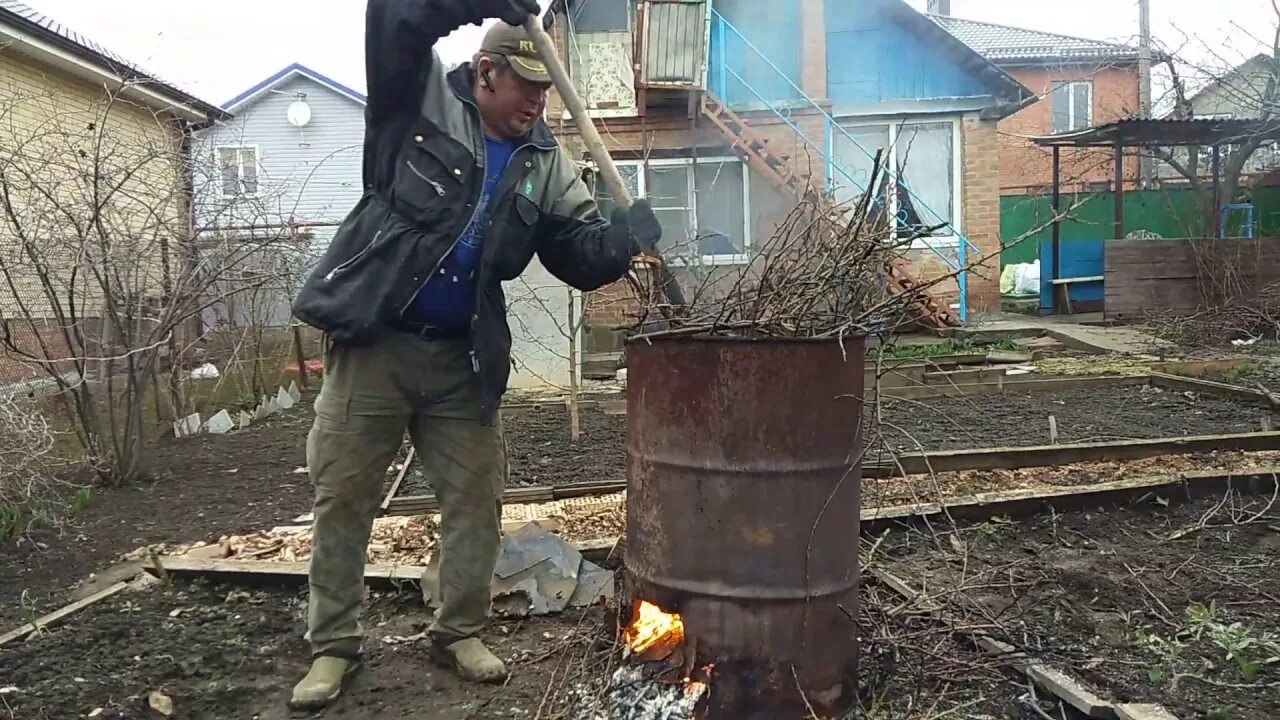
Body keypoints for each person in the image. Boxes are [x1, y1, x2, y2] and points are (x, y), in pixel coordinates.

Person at [288, 0, 662, 710]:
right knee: (343, 498)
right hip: (377, 343)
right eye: (526, 86)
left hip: (461, 357)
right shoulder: (418, 102)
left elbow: (574, 257)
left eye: (546, 90)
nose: (537, 102)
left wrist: (620, 239)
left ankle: (458, 630)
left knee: (476, 503)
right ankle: (333, 648)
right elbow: (397, 18)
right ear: (486, 73)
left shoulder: (545, 162)